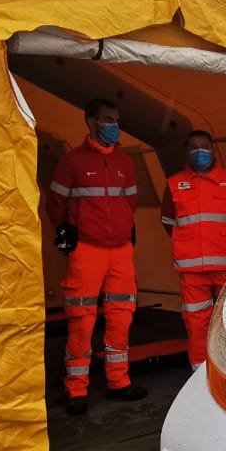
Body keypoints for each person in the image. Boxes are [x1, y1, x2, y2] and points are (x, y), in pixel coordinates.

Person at [47, 98, 147, 416]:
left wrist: (122, 232)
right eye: (107, 119)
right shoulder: (71, 162)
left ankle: (119, 382)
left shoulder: (125, 162)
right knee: (81, 321)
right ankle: (76, 389)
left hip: (120, 251)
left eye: (116, 120)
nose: (113, 125)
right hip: (86, 250)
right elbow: (55, 203)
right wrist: (68, 231)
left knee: (121, 318)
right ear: (90, 122)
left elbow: (129, 203)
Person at [160, 131, 226, 371]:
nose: (200, 151)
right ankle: (199, 375)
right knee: (196, 324)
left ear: (214, 149)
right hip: (192, 270)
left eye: (204, 146)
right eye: (194, 147)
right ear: (186, 152)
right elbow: (167, 221)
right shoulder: (174, 184)